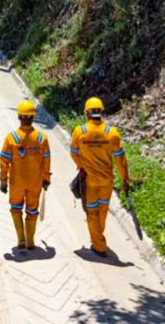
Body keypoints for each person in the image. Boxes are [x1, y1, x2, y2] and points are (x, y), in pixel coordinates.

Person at [69, 97, 130, 257]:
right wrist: (125, 179)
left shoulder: (80, 131)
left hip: (90, 181)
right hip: (107, 181)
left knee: (91, 212)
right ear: (101, 111)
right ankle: (98, 237)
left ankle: (99, 245)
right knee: (102, 209)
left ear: (86, 113)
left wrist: (81, 165)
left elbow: (74, 153)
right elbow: (121, 160)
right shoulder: (112, 133)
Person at [0, 100, 51, 249]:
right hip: (35, 183)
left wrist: (3, 180)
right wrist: (46, 179)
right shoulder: (42, 138)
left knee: (16, 208)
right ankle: (30, 241)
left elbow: (4, 160)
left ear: (19, 117)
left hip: (16, 182)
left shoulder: (11, 138)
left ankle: (21, 239)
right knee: (32, 211)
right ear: (33, 117)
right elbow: (46, 161)